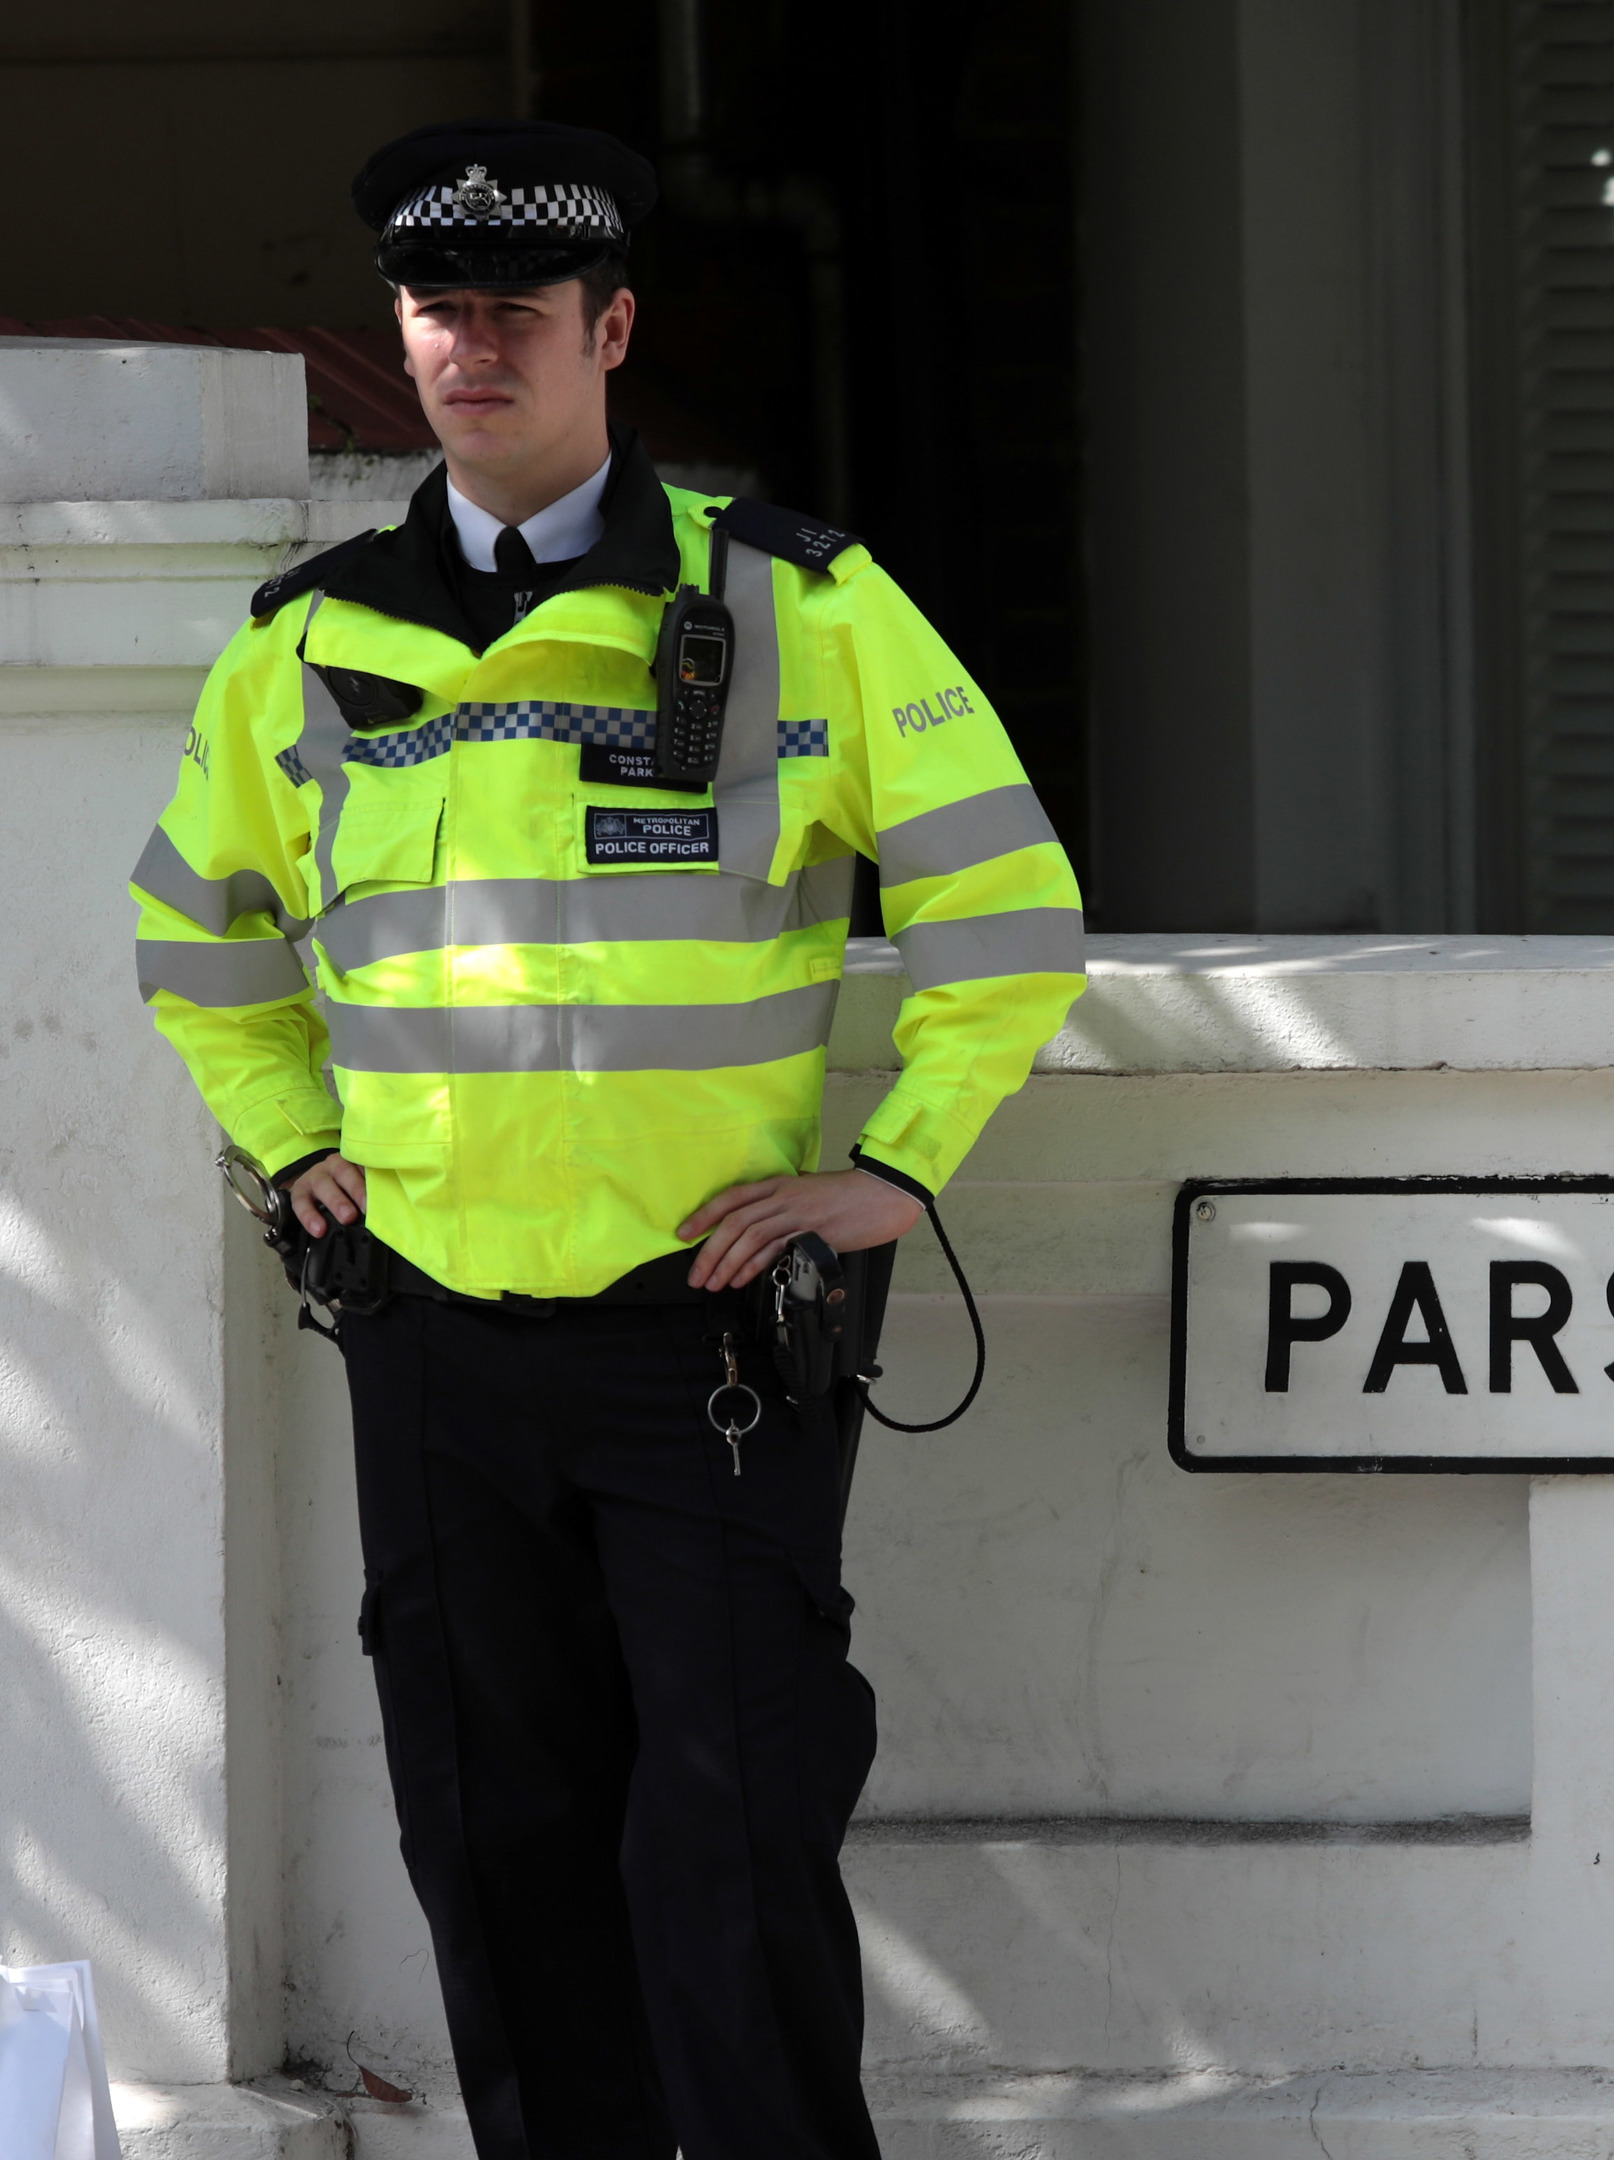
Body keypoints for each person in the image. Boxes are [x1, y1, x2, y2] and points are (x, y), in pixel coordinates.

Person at [125, 119, 1087, 2160]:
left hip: (710, 1342)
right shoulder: (308, 648)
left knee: (729, 1859)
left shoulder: (798, 609)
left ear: (611, 329)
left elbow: (1006, 916)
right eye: (436, 310)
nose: (471, 346)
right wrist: (292, 1140)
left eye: (516, 313)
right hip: (434, 1336)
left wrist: (894, 1175)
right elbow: (195, 937)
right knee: (496, 1848)